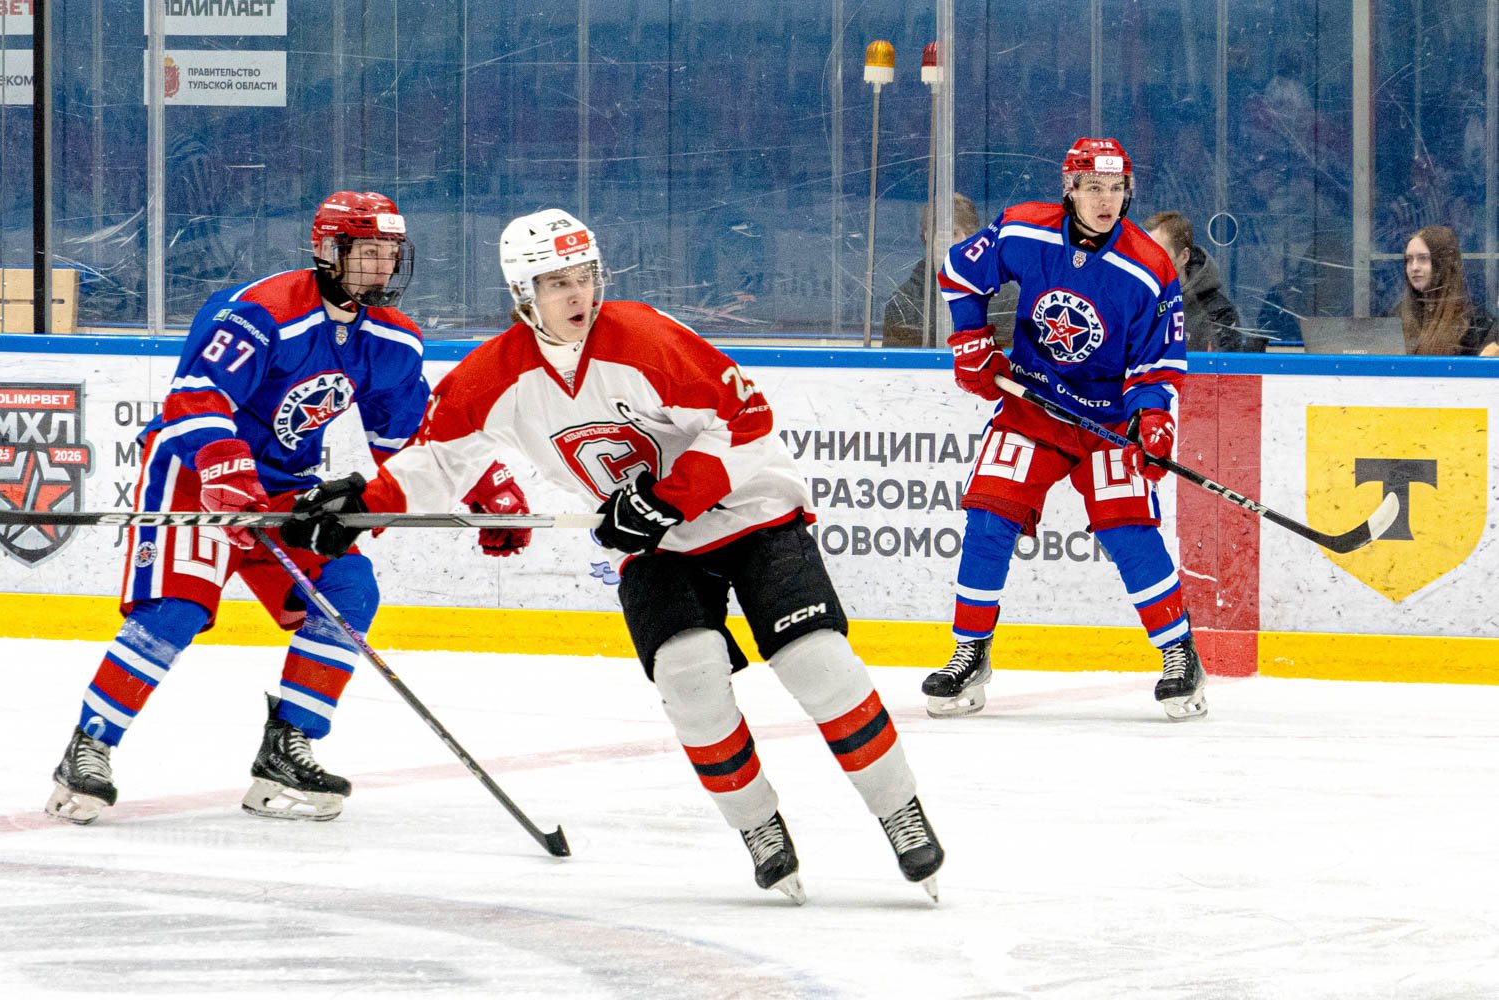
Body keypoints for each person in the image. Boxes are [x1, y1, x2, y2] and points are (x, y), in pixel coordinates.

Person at [287, 208, 945, 903]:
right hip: (654, 544)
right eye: (556, 283)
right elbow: (438, 463)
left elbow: (748, 423)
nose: (578, 295)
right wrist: (358, 509)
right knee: (689, 678)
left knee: (817, 663)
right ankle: (759, 826)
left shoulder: (644, 337)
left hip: (754, 511)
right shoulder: (494, 377)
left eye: (584, 276)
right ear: (523, 294)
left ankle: (898, 811)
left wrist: (671, 495)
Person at [44, 191, 449, 825]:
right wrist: (223, 465)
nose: (381, 267)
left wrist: (482, 482)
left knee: (348, 588)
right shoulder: (262, 312)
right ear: (328, 250)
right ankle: (89, 747)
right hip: (192, 474)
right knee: (175, 609)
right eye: (368, 252)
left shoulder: (393, 340)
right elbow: (195, 395)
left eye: (390, 253)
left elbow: (410, 438)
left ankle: (287, 748)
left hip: (284, 488)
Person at [927, 137, 1208, 721]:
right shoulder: (1024, 229)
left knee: (1129, 530)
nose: (1106, 201)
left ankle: (1179, 653)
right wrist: (969, 339)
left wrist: (1154, 418)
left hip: (1108, 422)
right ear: (1070, 189)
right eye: (1093, 188)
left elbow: (1158, 362)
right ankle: (970, 651)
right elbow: (959, 272)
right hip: (1033, 406)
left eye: (1116, 188)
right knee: (989, 517)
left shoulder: (1150, 267)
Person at [882, 193, 1016, 349]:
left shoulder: (1005, 298)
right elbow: (898, 363)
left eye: (971, 234)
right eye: (952, 234)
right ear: (928, 236)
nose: (964, 241)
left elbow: (1011, 359)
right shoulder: (904, 302)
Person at [1143, 210, 1260, 352]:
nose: (1148, 262)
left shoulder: (1218, 313)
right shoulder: (1134, 302)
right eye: (1144, 254)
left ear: (1184, 256)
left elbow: (1220, 363)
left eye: (1159, 254)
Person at [1393, 225, 1499, 356]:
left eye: (1423, 258)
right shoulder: (1396, 317)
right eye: (1409, 260)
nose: (1414, 267)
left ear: (1443, 264)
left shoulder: (1476, 324)